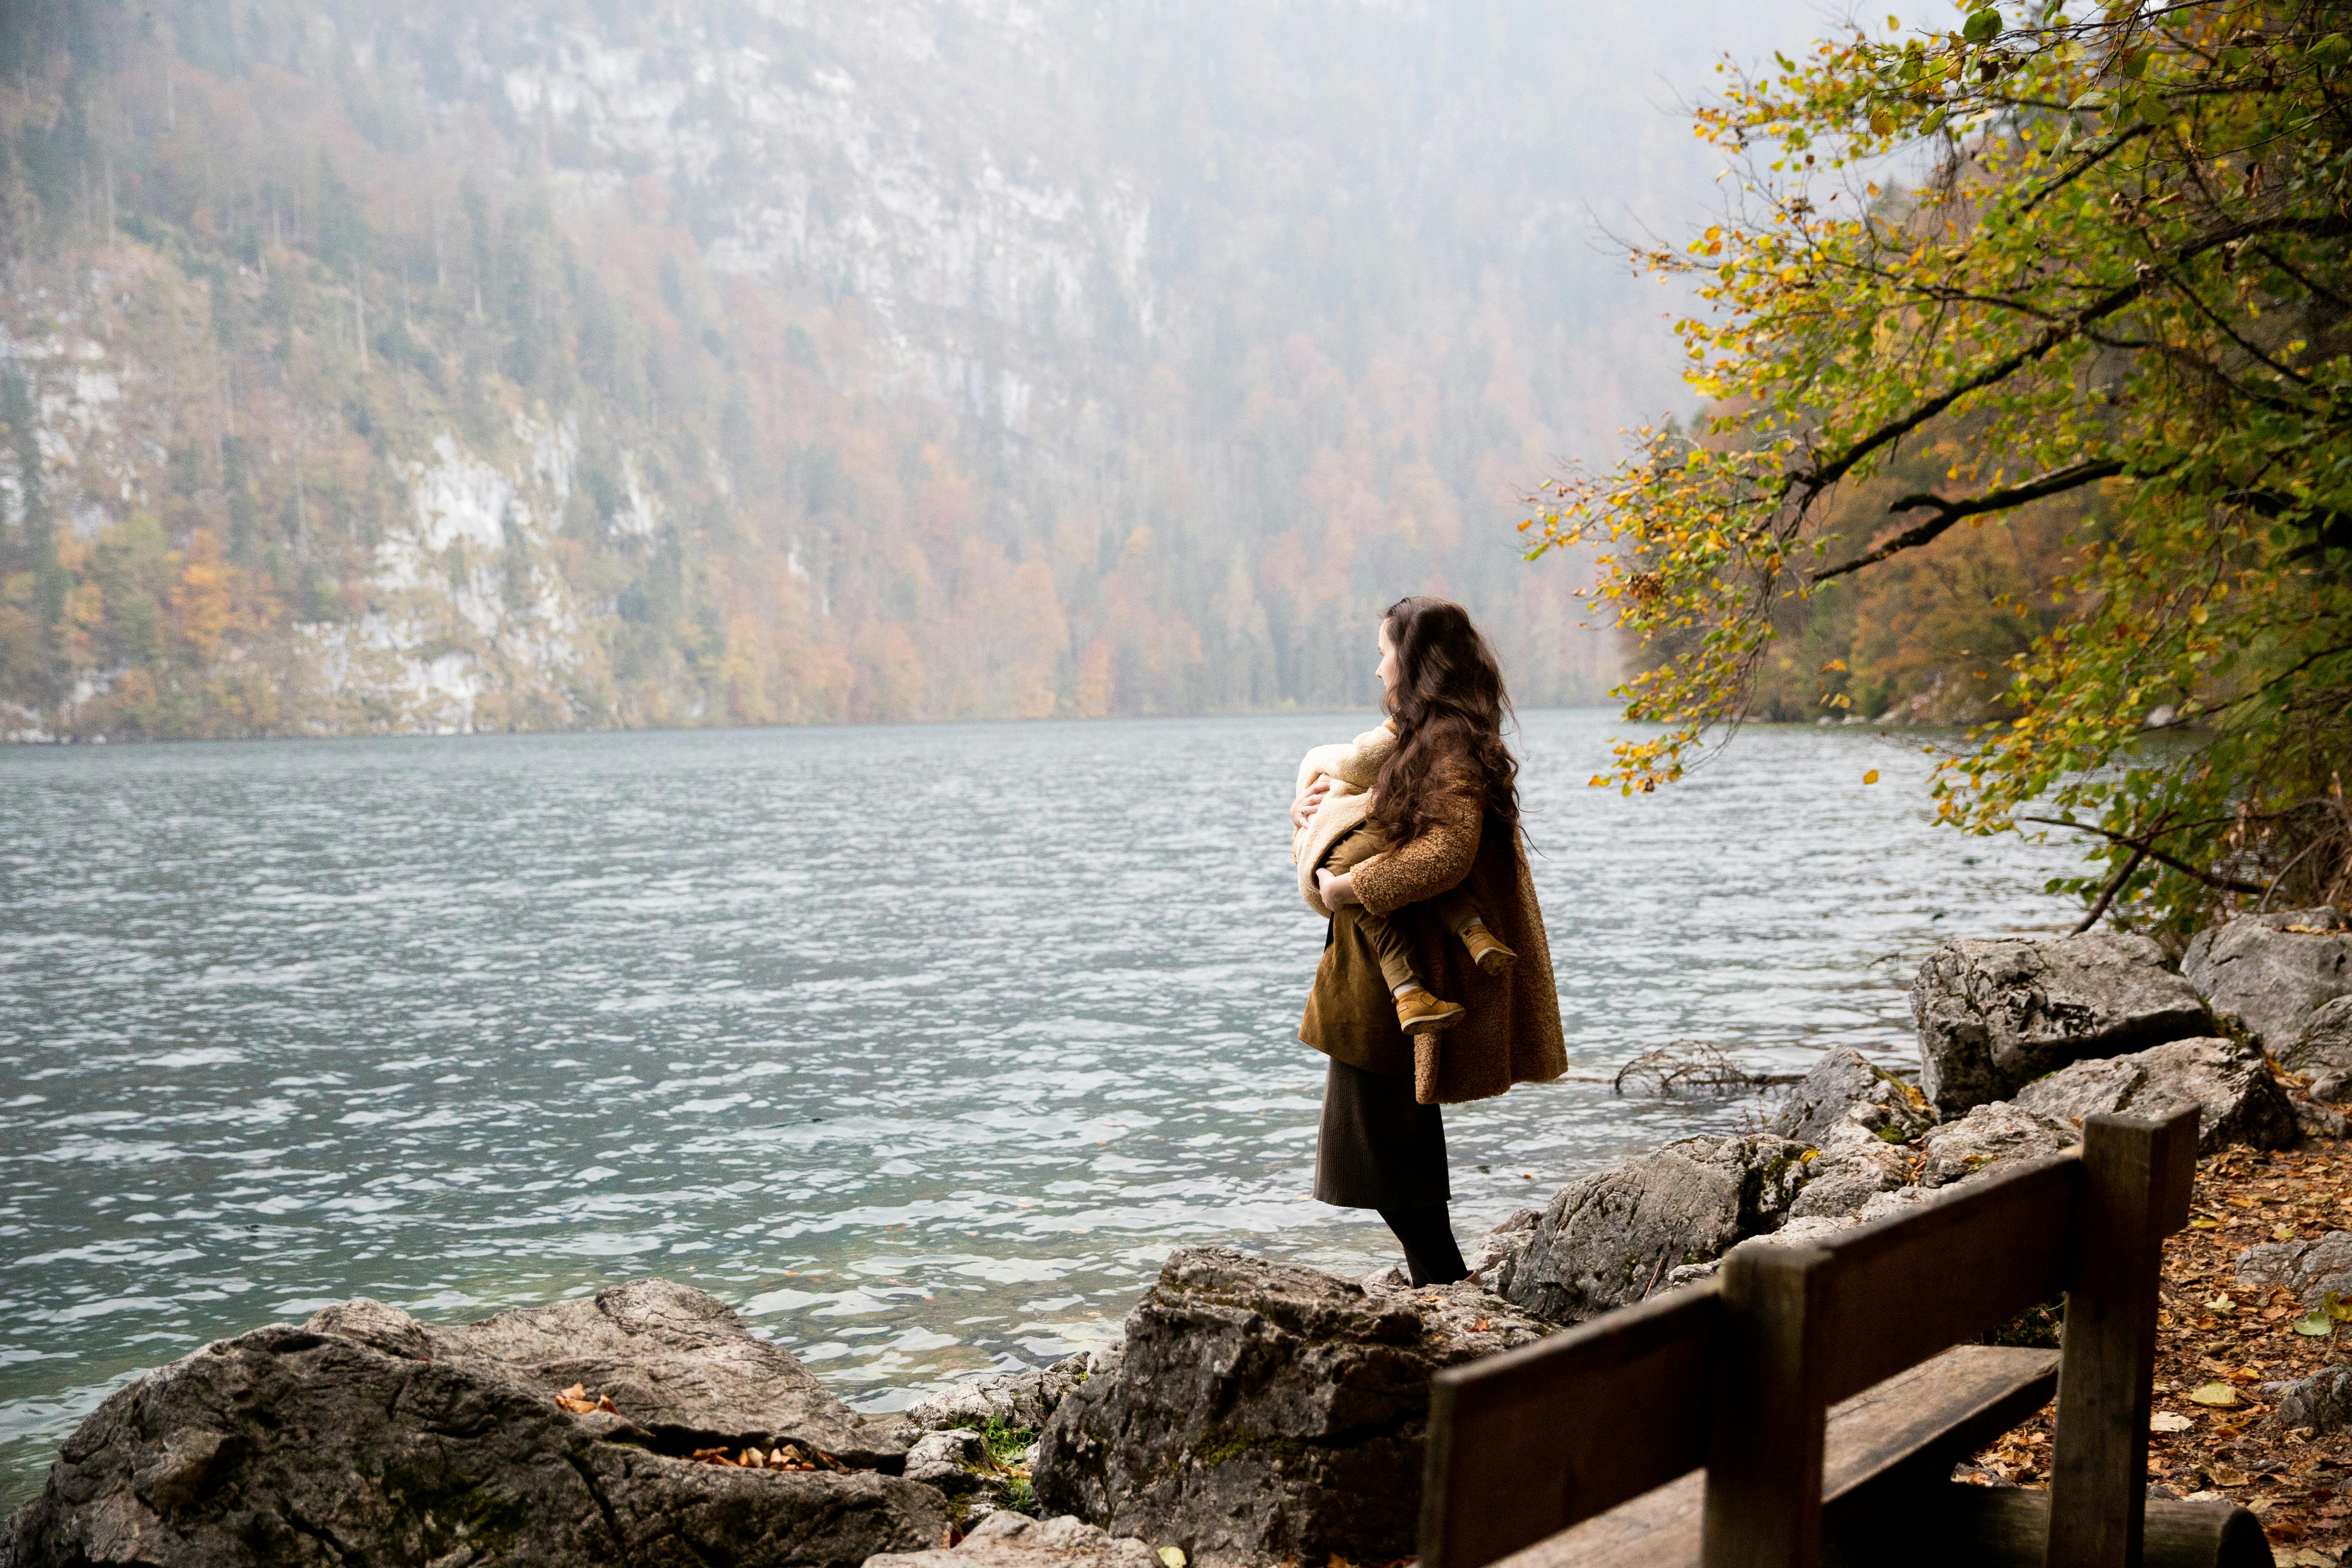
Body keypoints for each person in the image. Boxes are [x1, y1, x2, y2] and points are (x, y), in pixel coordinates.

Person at [1288, 597, 1566, 1286]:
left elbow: (1448, 850)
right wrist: (1315, 806)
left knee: (1384, 1158)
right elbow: (1371, 804)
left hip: (1394, 983)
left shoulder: (1447, 740)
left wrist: (1354, 890)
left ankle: (1446, 1293)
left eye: (1384, 651)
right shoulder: (1420, 735)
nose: (1376, 664)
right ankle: (1442, 1288)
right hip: (1374, 973)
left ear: (1411, 662)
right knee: (1387, 1155)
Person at [1290, 717, 1517, 1045]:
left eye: (1384, 661)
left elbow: (1444, 853)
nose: (1379, 672)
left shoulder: (1425, 723)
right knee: (1406, 868)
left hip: (1340, 879)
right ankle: (1473, 931)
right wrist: (1298, 812)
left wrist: (1318, 764)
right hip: (1344, 867)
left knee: (1396, 888)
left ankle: (1409, 992)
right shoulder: (1455, 728)